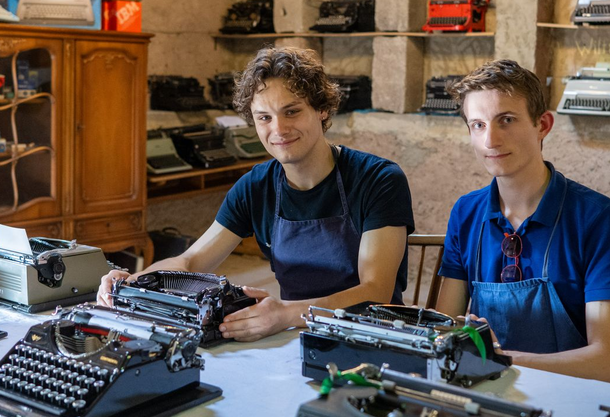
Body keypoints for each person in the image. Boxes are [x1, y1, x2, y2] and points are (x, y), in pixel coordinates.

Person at [97, 46, 414, 342]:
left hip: (371, 337)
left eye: (291, 112)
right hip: (295, 333)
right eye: (264, 117)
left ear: (322, 109)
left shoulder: (378, 179)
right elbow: (192, 260)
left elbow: (376, 290)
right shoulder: (256, 186)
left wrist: (286, 312)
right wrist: (131, 282)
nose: (278, 129)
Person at [434, 59, 610, 383]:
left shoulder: (599, 219)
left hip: (567, 401)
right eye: (478, 125)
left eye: (507, 120)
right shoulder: (466, 213)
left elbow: (607, 364)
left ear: (542, 125)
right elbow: (444, 332)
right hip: (481, 393)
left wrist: (499, 361)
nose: (490, 141)